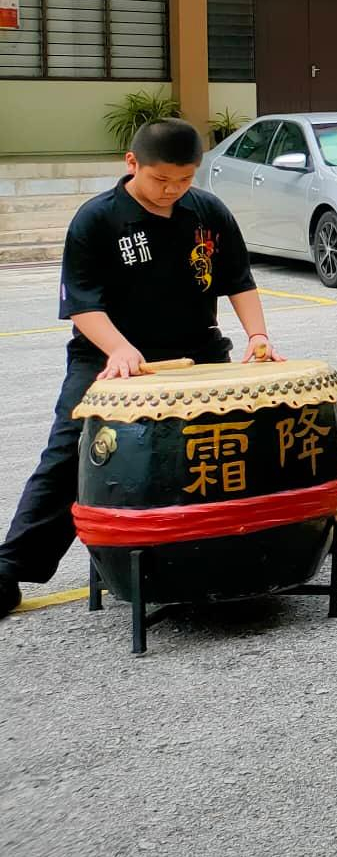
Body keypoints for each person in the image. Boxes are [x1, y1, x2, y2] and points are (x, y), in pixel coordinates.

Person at [0, 119, 280, 618]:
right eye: (161, 180)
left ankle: (276, 539)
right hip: (111, 356)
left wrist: (258, 336)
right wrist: (121, 350)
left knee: (237, 438)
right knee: (75, 452)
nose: (172, 190)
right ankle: (9, 569)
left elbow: (238, 279)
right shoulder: (97, 220)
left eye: (184, 180)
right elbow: (83, 305)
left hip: (197, 352)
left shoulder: (207, 211)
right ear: (132, 164)